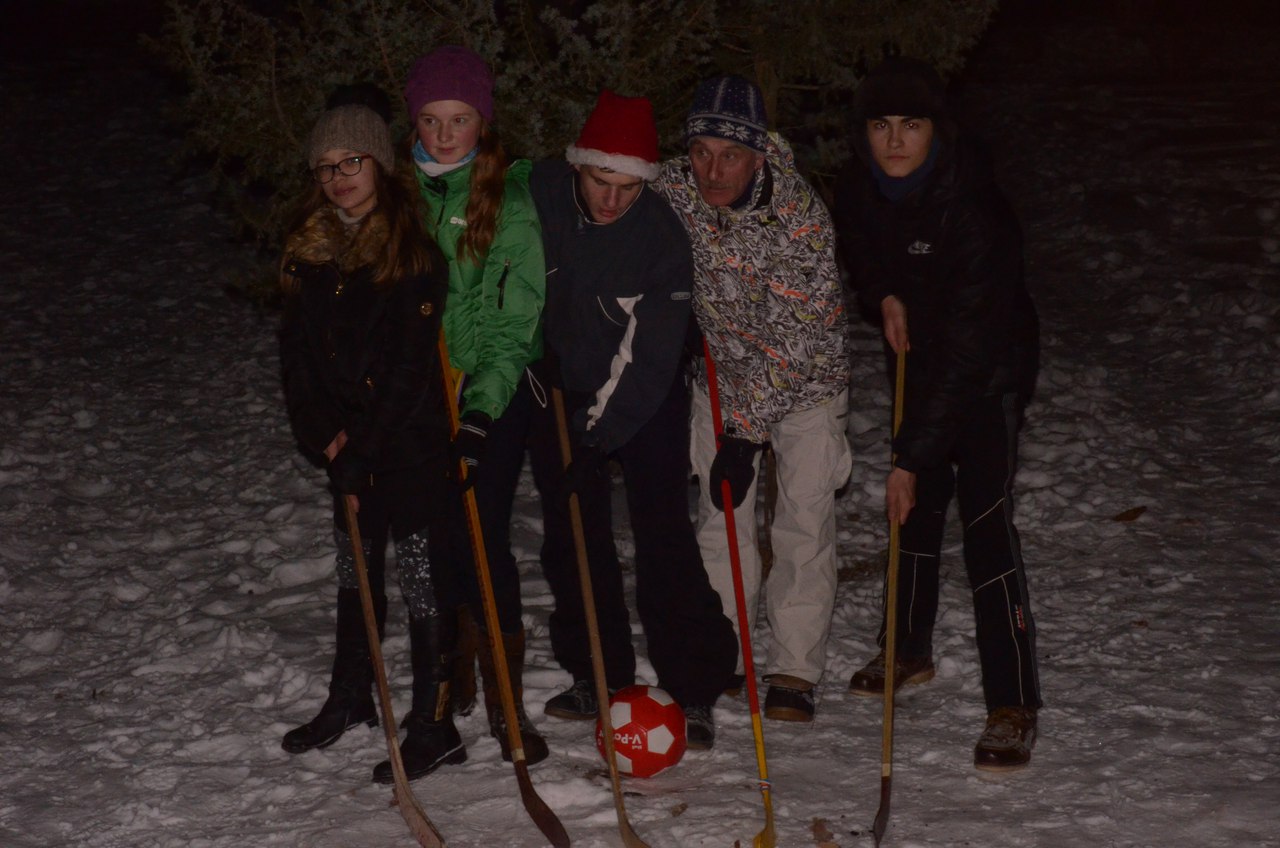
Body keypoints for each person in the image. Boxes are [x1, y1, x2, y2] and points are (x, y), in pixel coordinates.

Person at [832, 56, 1043, 770]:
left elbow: (970, 352)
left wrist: (911, 455)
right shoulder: (862, 185)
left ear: (936, 131)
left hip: (988, 370)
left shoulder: (975, 212)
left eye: (911, 125)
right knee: (914, 510)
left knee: (983, 521)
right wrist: (885, 294)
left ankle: (1012, 703)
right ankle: (906, 649)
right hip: (922, 354)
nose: (894, 141)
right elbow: (860, 246)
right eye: (881, 125)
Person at [527, 90, 737, 749]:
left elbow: (648, 357)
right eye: (599, 181)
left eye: (627, 187)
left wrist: (598, 439)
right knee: (572, 532)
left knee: (661, 533)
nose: (612, 200)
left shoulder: (660, 239)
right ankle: (597, 671)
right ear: (576, 167)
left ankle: (694, 684)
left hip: (645, 394)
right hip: (558, 384)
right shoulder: (539, 195)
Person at [277, 96, 466, 784]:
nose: (338, 178)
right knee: (356, 576)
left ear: (379, 164)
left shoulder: (411, 256)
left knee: (421, 582)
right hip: (345, 450)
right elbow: (297, 360)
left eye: (351, 161)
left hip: (407, 447)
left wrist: (364, 451)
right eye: (326, 167)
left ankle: (435, 724)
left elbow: (409, 370)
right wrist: (327, 440)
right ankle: (352, 694)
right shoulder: (307, 255)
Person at [654, 75, 852, 723]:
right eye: (701, 152)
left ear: (758, 154)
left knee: (802, 521)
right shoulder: (674, 190)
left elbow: (795, 341)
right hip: (719, 377)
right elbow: (609, 192)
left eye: (730, 155)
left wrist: (744, 437)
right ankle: (725, 652)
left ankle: (795, 668)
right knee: (720, 517)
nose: (713, 171)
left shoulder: (799, 218)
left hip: (804, 383)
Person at [402, 46, 549, 764]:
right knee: (437, 538)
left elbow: (512, 323)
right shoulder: (398, 197)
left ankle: (505, 703)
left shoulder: (507, 204)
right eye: (430, 120)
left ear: (482, 122)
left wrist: (481, 412)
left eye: (459, 119)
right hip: (423, 397)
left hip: (494, 388)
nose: (444, 134)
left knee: (482, 534)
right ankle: (450, 678)